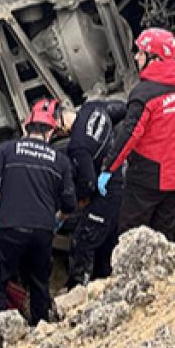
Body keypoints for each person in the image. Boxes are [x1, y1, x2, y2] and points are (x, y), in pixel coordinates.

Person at [0, 98, 75, 325]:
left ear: (27, 128)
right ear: (50, 133)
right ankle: (41, 327)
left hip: (10, 229)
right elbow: (69, 203)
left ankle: (0, 331)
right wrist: (58, 219)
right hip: (42, 232)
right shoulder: (61, 161)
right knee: (38, 282)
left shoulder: (7, 150)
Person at [101, 27, 175, 240]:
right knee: (163, 232)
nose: (137, 57)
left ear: (154, 57)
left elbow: (129, 136)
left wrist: (108, 169)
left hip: (148, 177)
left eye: (141, 53)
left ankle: (132, 273)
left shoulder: (144, 94)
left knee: (131, 235)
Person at [61, 99, 128, 288]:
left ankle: (78, 289)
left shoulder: (77, 146)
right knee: (108, 236)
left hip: (108, 190)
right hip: (120, 177)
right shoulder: (93, 108)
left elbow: (89, 183)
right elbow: (122, 109)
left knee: (84, 238)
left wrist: (77, 202)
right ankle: (107, 277)